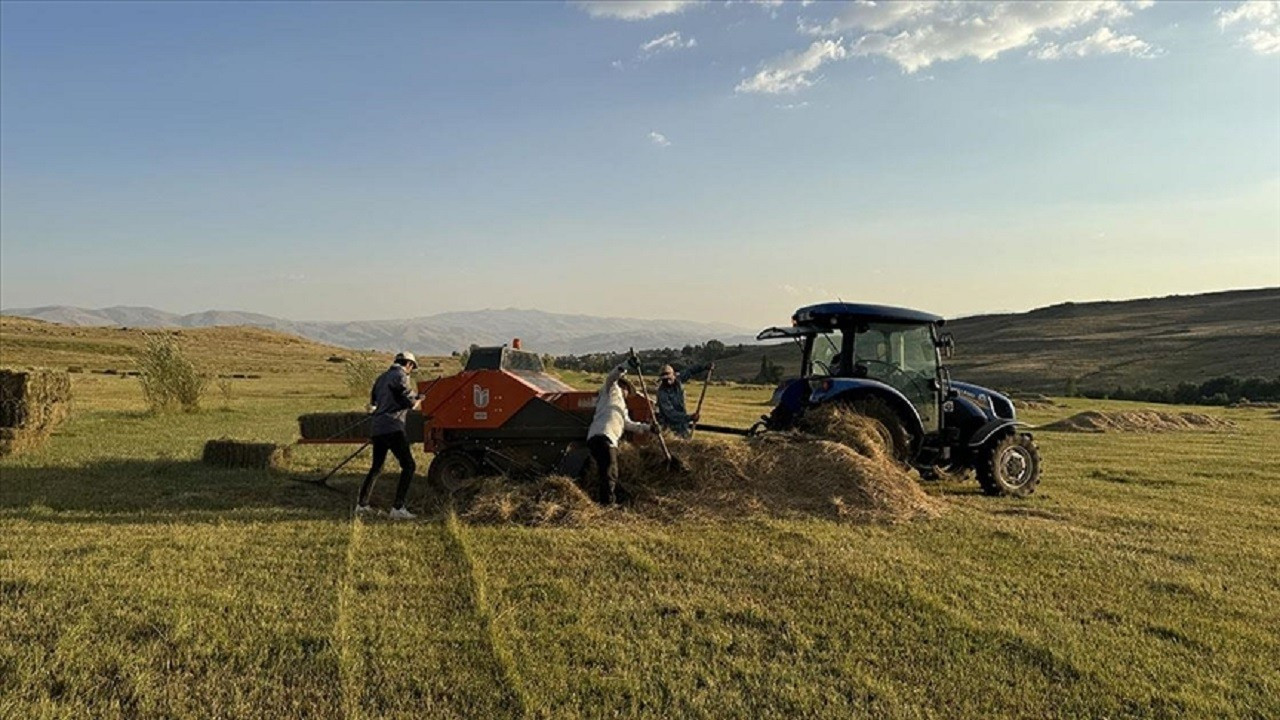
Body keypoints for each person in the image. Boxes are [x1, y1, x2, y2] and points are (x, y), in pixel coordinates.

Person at [356, 351, 422, 519]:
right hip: (393, 427)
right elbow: (410, 403)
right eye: (412, 367)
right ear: (409, 364)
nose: (411, 371)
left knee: (376, 467)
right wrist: (419, 399)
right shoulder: (401, 376)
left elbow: (373, 404)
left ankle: (362, 505)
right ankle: (398, 508)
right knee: (409, 466)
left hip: (377, 428)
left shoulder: (381, 378)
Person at [586, 363, 651, 505]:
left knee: (608, 472)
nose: (628, 394)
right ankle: (608, 503)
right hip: (602, 435)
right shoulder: (611, 391)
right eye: (628, 390)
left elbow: (629, 424)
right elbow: (611, 377)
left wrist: (649, 428)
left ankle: (609, 499)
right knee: (611, 471)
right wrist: (625, 366)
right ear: (624, 387)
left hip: (609, 440)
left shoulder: (623, 408)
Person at [655, 362, 713, 438]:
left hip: (682, 425)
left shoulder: (678, 380)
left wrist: (704, 367)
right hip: (668, 427)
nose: (667, 381)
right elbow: (671, 414)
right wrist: (689, 417)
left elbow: (690, 371)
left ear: (674, 375)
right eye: (664, 380)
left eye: (669, 378)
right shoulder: (662, 394)